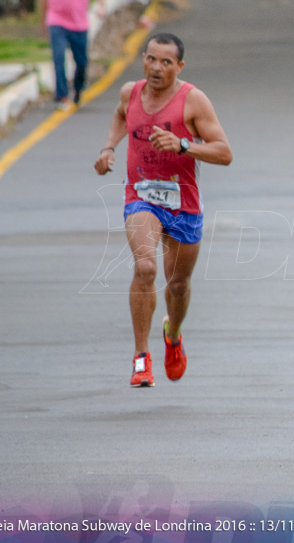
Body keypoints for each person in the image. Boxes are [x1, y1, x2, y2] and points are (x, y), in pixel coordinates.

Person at [94, 33, 233, 387]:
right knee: (145, 267)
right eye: (151, 59)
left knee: (178, 285)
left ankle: (173, 334)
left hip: (183, 203)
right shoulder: (131, 93)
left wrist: (183, 144)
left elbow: (224, 152)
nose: (157, 68)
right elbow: (120, 115)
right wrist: (109, 148)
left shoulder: (194, 101)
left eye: (166, 62)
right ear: (143, 59)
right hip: (141, 194)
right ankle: (141, 358)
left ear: (179, 66)